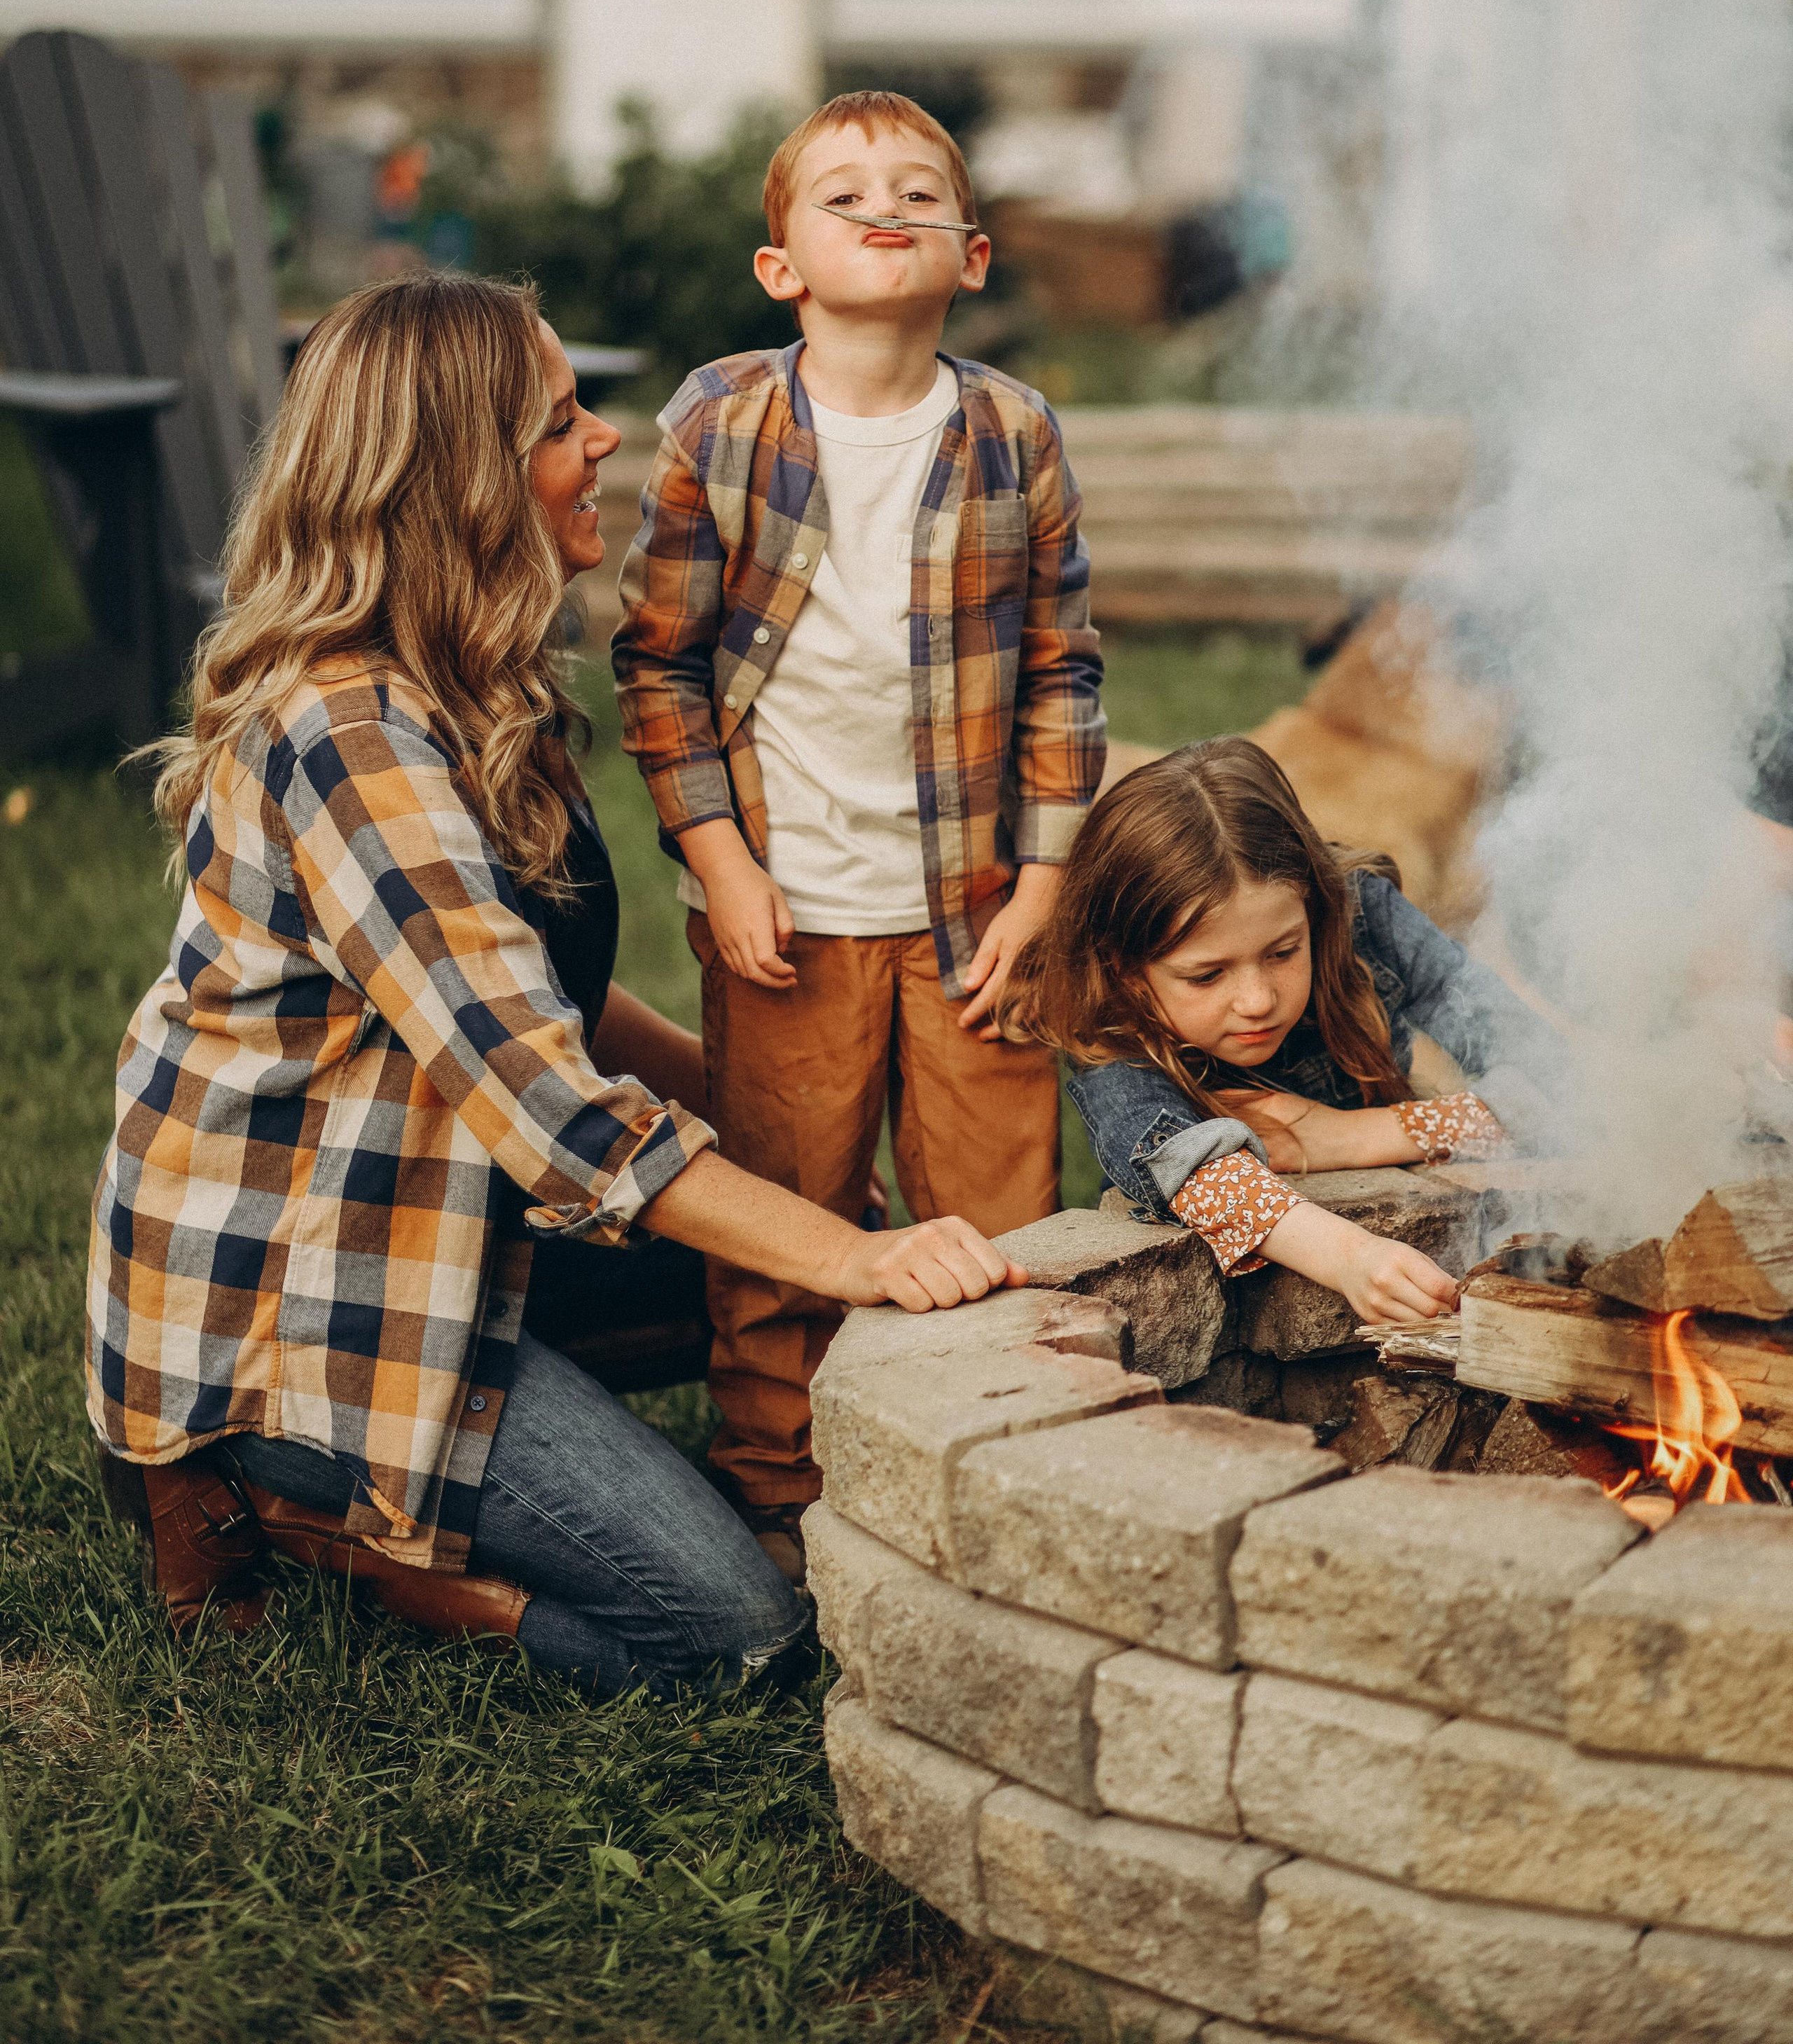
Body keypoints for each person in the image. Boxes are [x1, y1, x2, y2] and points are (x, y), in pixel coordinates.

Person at [86, 275, 1023, 1694]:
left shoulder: (484, 679)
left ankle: (455, 1466)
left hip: (452, 1223)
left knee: (801, 1220)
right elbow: (561, 1120)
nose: (603, 439)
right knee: (739, 1632)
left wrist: (791, 1143)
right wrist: (849, 1256)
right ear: (457, 480)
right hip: (305, 1303)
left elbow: (560, 1012)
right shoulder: (351, 739)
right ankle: (309, 1512)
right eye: (558, 421)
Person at [611, 92, 1105, 1570]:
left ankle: (988, 1489)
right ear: (781, 267)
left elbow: (1059, 672)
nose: (881, 207)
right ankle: (778, 1496)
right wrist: (720, 866)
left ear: (972, 249)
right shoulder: (723, 423)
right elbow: (662, 666)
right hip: (791, 916)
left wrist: (1043, 892)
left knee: (999, 1223)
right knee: (788, 1218)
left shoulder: (1012, 433)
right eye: (842, 195)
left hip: (981, 925)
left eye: (914, 191)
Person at [1001, 738, 1570, 1323]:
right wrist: (1350, 1257)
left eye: (1282, 952)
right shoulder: (1112, 1022)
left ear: (1314, 909)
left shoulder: (1363, 917)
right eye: (1207, 975)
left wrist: (1361, 1136)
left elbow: (1551, 1071)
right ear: (1129, 972)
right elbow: (1187, 1168)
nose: (1258, 1001)